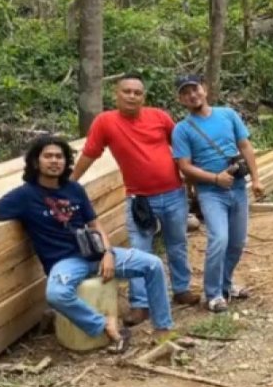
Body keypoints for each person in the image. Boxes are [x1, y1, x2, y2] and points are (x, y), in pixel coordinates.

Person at [0, 136, 175, 352]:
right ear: (35, 162)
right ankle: (103, 324)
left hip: (95, 253)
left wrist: (107, 253)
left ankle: (163, 329)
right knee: (57, 294)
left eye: (59, 156)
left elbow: (94, 224)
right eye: (48, 156)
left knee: (153, 264)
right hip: (65, 262)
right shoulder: (25, 195)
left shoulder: (74, 189)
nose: (54, 161)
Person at [72, 74, 200, 328]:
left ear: (144, 97)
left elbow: (182, 147)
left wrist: (193, 182)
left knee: (177, 243)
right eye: (127, 91)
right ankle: (140, 304)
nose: (132, 96)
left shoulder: (159, 117)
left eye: (137, 93)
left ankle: (182, 289)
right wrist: (70, 183)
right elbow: (90, 154)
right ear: (116, 94)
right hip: (139, 200)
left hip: (173, 193)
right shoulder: (105, 122)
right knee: (139, 252)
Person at [171, 74, 264, 312]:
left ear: (205, 89)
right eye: (186, 92)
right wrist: (215, 178)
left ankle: (226, 284)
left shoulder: (228, 115)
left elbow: (244, 146)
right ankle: (212, 294)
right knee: (219, 240)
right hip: (210, 193)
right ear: (181, 99)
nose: (193, 95)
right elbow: (184, 165)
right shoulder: (182, 129)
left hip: (238, 188)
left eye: (195, 89)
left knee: (237, 242)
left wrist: (255, 179)